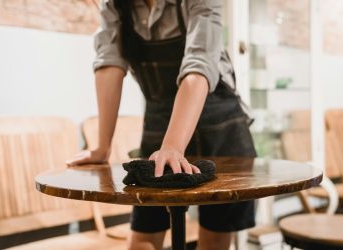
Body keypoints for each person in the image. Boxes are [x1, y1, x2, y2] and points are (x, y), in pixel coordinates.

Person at [67, 0, 257, 249]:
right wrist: (102, 146)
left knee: (214, 237)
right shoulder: (115, 4)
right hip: (159, 123)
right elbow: (109, 63)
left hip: (221, 127)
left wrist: (173, 146)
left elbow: (198, 67)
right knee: (143, 237)